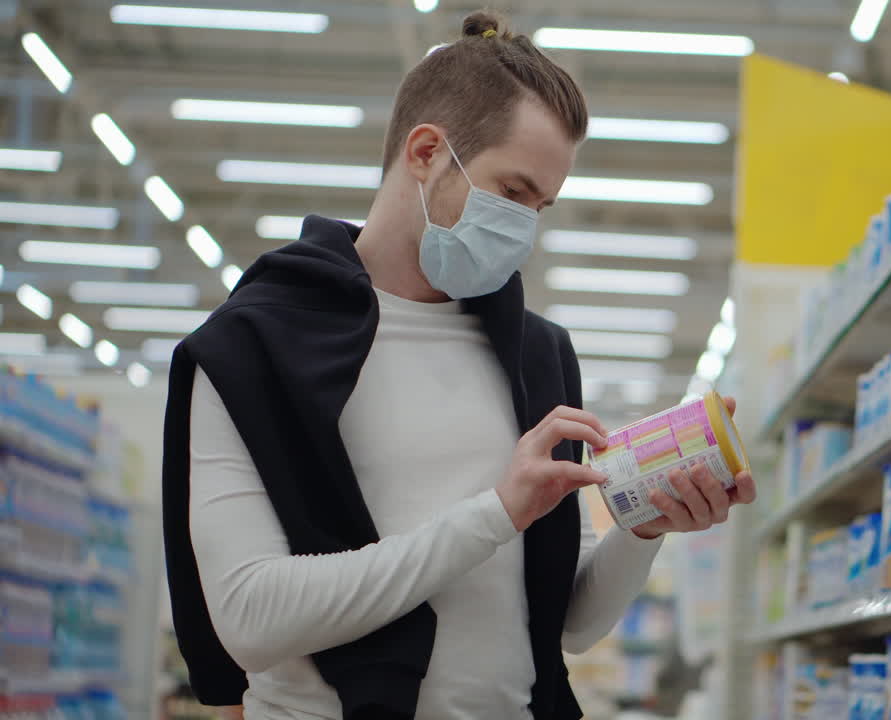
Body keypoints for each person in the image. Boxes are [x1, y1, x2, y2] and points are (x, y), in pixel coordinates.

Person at [161, 10, 756, 720]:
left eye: (543, 204)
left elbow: (567, 622)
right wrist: (498, 512)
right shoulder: (253, 349)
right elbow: (250, 621)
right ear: (425, 152)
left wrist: (645, 530)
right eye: (512, 192)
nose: (527, 225)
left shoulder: (535, 354)